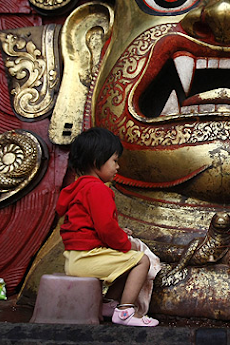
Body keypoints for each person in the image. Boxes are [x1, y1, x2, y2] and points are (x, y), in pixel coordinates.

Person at [55, 127, 160, 327]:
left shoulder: (78, 188)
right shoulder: (98, 189)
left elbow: (91, 225)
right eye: (114, 160)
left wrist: (119, 233)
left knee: (126, 264)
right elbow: (105, 229)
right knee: (141, 261)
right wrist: (124, 243)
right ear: (97, 162)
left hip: (75, 257)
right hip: (87, 258)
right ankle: (125, 312)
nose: (117, 167)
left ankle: (108, 305)